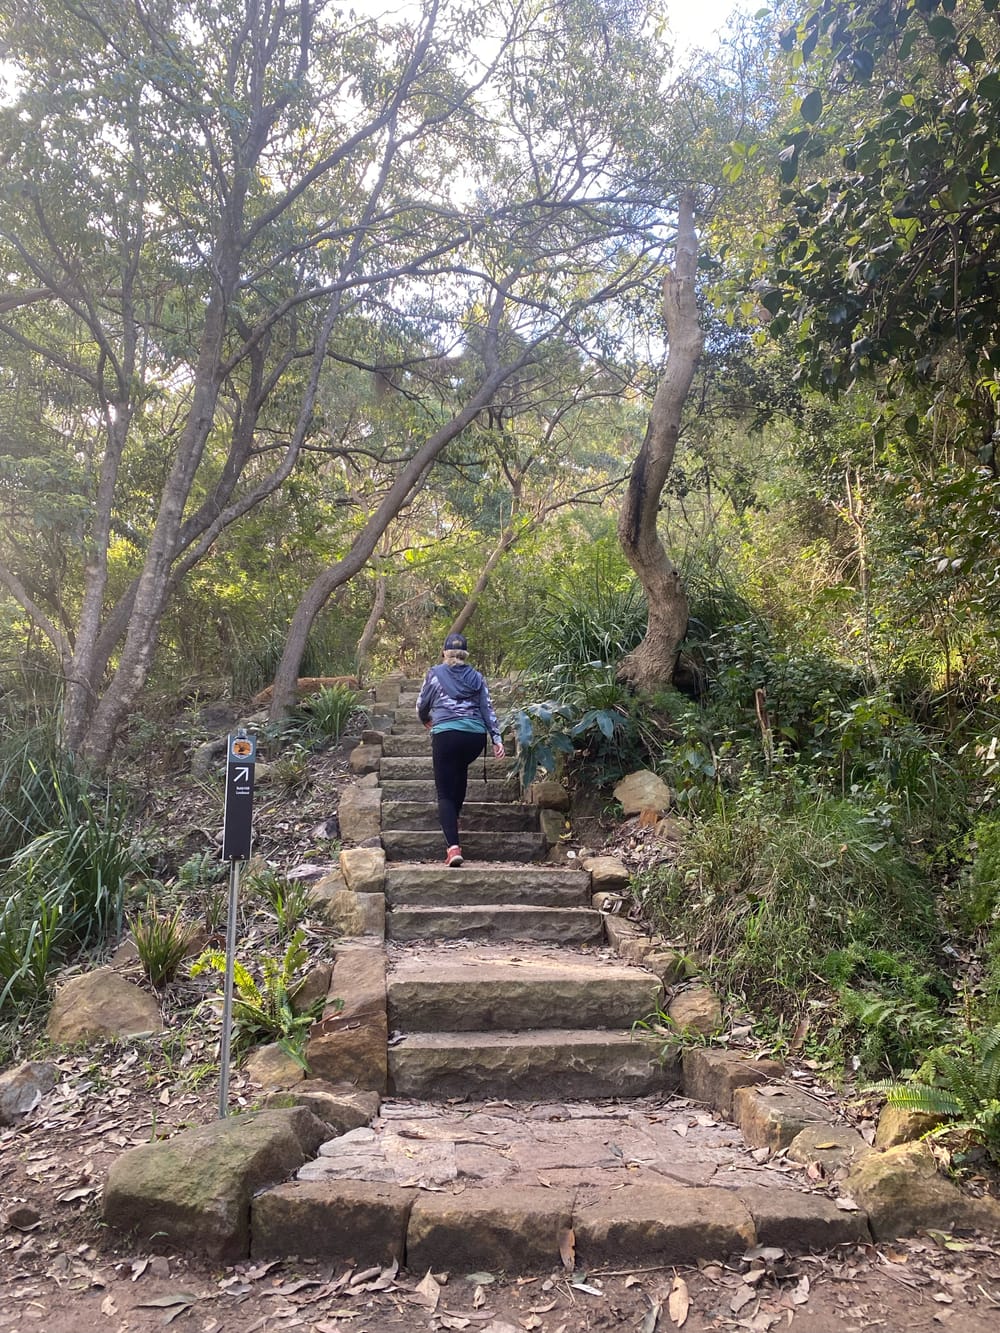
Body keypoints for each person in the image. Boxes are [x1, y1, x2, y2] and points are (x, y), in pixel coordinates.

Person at [415, 631, 506, 867]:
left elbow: (422, 704)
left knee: (445, 792)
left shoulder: (434, 675)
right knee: (460, 772)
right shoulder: (477, 677)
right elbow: (487, 708)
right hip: (474, 738)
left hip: (446, 734)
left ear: (445, 653)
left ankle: (453, 848)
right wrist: (497, 738)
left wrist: (424, 717)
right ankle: (453, 821)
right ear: (465, 654)